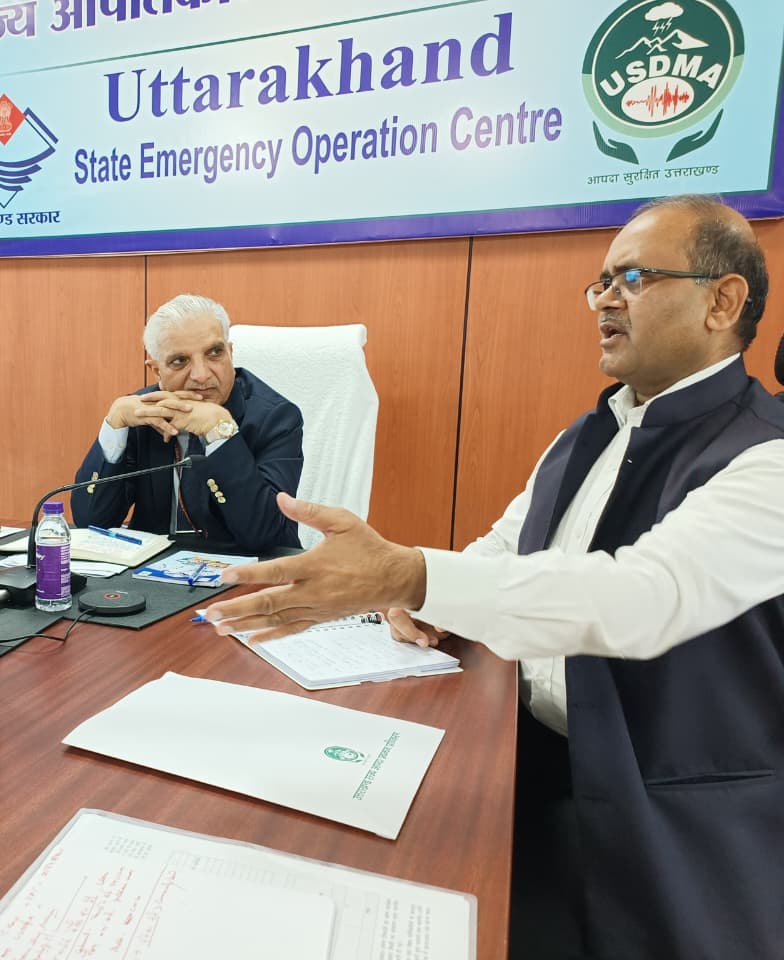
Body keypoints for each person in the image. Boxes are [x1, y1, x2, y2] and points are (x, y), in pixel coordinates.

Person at [205, 196, 784, 960]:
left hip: (670, 821)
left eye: (635, 278)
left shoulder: (767, 458)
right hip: (532, 763)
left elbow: (640, 599)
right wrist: (424, 597)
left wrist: (412, 577)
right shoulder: (587, 434)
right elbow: (504, 545)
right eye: (601, 282)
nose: (605, 300)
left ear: (723, 301)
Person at [70, 293, 304, 551]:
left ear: (230, 353)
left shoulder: (276, 418)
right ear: (157, 371)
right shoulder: (143, 415)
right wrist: (114, 425)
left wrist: (220, 431)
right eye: (180, 361)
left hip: (248, 568)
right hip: (153, 569)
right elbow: (91, 522)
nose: (201, 375)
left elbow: (267, 536)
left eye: (214, 353)